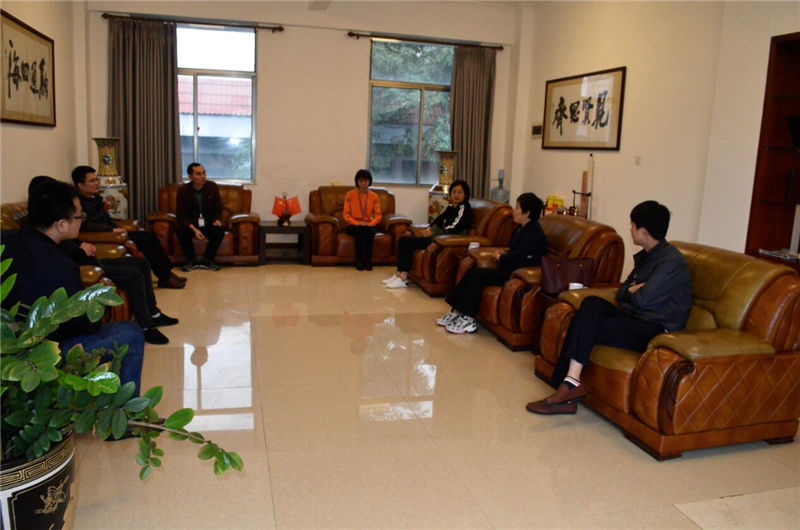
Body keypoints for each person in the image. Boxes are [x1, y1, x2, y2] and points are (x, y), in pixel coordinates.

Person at [526, 200, 692, 415]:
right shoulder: (648, 256)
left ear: (643, 231)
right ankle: (568, 385)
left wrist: (633, 292)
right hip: (635, 316)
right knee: (590, 305)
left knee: (585, 325)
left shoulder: (672, 262)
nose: (630, 230)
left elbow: (643, 300)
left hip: (655, 328)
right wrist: (632, 290)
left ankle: (566, 388)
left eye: (632, 226)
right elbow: (622, 291)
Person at [3, 179, 145, 394]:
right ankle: (126, 410)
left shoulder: (6, 239)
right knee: (131, 333)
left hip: (8, 345)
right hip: (44, 355)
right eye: (79, 216)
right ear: (61, 224)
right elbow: (86, 326)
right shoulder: (61, 267)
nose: (82, 220)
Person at [27, 176, 178, 345]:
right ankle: (145, 326)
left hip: (89, 259)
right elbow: (69, 258)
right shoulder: (46, 243)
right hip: (86, 264)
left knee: (140, 262)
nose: (81, 219)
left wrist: (84, 248)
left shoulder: (48, 228)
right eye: (79, 216)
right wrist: (82, 251)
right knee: (132, 274)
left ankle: (154, 313)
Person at [437, 192, 547, 334]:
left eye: (517, 208)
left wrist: (502, 258)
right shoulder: (521, 228)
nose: (514, 211)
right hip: (508, 267)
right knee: (472, 272)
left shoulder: (534, 232)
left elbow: (522, 256)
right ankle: (456, 311)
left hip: (516, 274)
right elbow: (514, 250)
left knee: (477, 276)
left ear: (527, 212)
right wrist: (503, 254)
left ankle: (469, 319)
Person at [71, 165, 186, 289]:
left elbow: (107, 219)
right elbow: (85, 224)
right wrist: (111, 230)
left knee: (150, 235)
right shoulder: (78, 204)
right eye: (92, 181)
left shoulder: (95, 198)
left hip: (112, 232)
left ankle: (166, 273)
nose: (97, 183)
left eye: (97, 180)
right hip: (105, 236)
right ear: (80, 185)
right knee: (146, 241)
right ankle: (165, 277)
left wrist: (118, 227)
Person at [383, 180, 473, 289]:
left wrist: (433, 232)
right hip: (439, 237)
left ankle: (403, 278)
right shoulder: (451, 207)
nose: (456, 195)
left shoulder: (464, 208)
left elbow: (454, 228)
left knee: (408, 242)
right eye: (454, 192)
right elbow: (438, 220)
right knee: (403, 239)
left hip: (447, 240)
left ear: (465, 194)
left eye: (459, 192)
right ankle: (399, 274)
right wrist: (429, 228)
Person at [175, 163, 224, 271]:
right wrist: (194, 229)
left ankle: (208, 260)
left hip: (208, 222)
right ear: (190, 176)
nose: (203, 176)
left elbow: (218, 207)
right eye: (198, 174)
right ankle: (191, 261)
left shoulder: (212, 187)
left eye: (204, 173)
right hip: (191, 223)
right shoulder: (183, 191)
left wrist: (217, 220)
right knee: (180, 230)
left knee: (220, 229)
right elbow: (182, 214)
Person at [343, 169, 382, 271]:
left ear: (369, 182)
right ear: (357, 181)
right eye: (361, 181)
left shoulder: (374, 196)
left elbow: (378, 215)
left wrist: (370, 224)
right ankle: (359, 260)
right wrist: (357, 223)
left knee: (368, 231)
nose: (363, 183)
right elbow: (346, 215)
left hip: (369, 225)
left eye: (366, 181)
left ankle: (368, 260)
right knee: (360, 230)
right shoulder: (350, 194)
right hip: (353, 225)